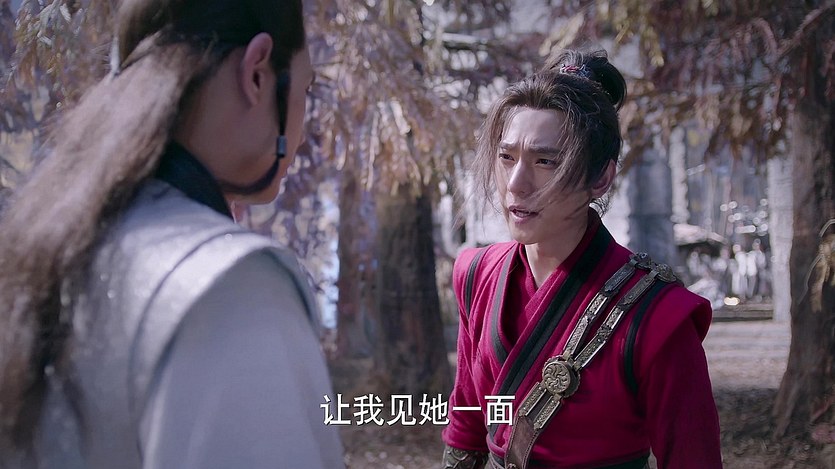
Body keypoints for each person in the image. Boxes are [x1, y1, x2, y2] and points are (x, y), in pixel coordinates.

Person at [0, 1, 343, 468]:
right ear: (257, 73)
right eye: (307, 89)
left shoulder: (44, 249)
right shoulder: (230, 287)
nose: (301, 134)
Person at [442, 50, 721, 469]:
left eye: (545, 161)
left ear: (600, 177)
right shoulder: (476, 275)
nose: (516, 184)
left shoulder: (658, 315)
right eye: (506, 157)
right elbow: (466, 426)